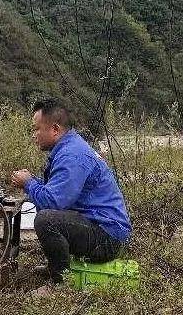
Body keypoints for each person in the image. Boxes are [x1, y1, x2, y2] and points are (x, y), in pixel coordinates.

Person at [11, 98, 131, 284]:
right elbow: (56, 191)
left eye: (36, 129)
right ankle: (56, 265)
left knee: (47, 219)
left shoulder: (72, 155)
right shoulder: (69, 147)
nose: (34, 135)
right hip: (100, 226)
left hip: (108, 237)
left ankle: (59, 282)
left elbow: (53, 202)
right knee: (47, 212)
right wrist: (33, 182)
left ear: (55, 129)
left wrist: (28, 183)